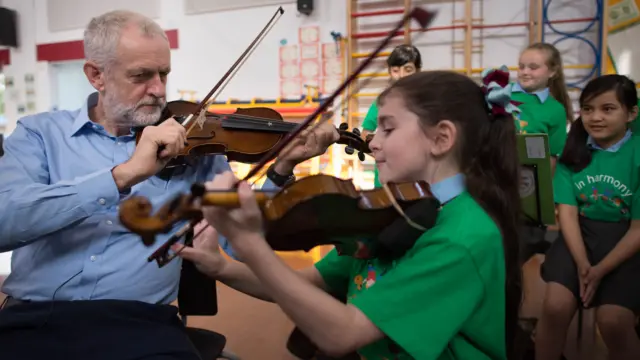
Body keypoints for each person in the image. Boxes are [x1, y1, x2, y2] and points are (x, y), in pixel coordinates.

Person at [0, 10, 338, 360]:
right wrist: (125, 174)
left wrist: (281, 168)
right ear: (96, 75)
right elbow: (4, 224)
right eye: (141, 76)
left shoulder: (195, 150)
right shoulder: (39, 134)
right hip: (34, 319)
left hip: (142, 325)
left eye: (163, 74)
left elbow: (242, 240)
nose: (159, 90)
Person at [176, 69, 523, 359]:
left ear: (441, 138)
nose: (372, 142)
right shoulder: (399, 212)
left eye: (388, 128)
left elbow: (343, 333)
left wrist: (249, 243)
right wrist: (221, 265)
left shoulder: (461, 239)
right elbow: (307, 283)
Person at [535, 74, 640, 360]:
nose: (595, 117)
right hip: (579, 237)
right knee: (555, 307)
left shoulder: (637, 154)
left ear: (631, 113)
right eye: (588, 109)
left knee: (613, 321)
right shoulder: (575, 151)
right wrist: (583, 263)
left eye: (608, 109)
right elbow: (567, 213)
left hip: (626, 241)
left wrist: (601, 269)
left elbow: (638, 229)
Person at [361, 44, 422, 188]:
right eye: (395, 70)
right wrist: (387, 158)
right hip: (385, 182)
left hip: (419, 179)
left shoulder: (426, 103)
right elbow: (365, 136)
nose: (401, 75)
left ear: (418, 71)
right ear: (389, 71)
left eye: (408, 70)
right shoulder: (381, 103)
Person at [513, 42, 573, 173]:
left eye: (533, 67)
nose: (525, 72)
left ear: (552, 71)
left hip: (526, 178)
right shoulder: (501, 95)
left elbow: (551, 157)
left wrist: (540, 191)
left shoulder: (556, 110)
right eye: (521, 67)